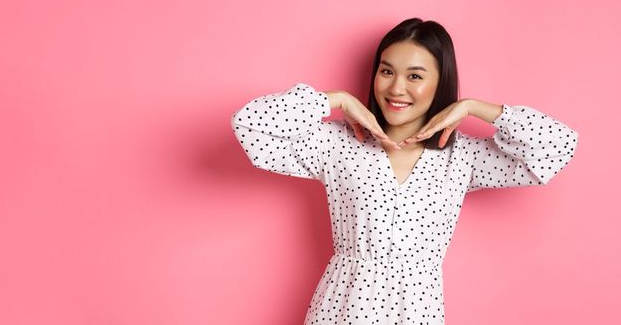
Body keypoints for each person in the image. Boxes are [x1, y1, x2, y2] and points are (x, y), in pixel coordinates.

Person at [231, 17, 579, 324]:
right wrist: (336, 99)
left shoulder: (463, 156)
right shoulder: (336, 143)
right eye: (386, 71)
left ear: (441, 81)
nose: (396, 88)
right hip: (341, 308)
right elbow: (249, 126)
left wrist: (472, 107)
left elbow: (557, 146)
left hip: (416, 311)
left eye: (415, 76)